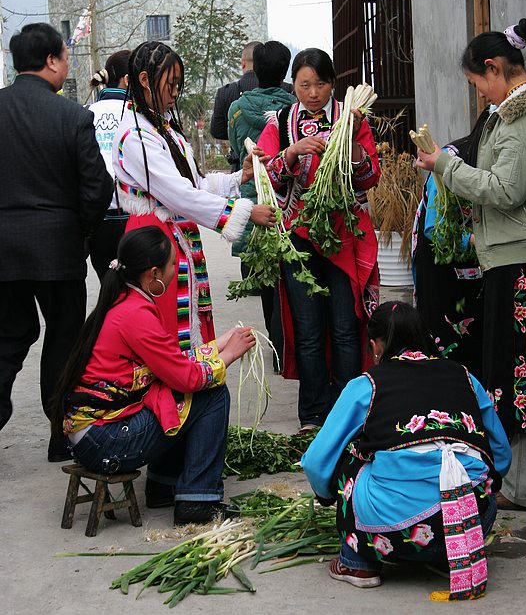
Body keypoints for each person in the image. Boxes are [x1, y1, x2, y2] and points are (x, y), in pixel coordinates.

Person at [416, 18, 526, 512]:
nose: (481, 96)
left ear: (494, 69)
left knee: (520, 372)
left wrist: (443, 166)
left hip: (522, 258)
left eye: (477, 85)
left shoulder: (520, 119)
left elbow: (505, 190)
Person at [302, 301, 511, 598]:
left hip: (392, 535)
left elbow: (317, 461)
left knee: (349, 456)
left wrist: (325, 494)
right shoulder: (464, 376)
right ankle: (449, 555)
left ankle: (357, 562)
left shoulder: (367, 385)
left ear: (375, 346)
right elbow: (500, 455)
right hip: (470, 520)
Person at [52, 226, 256, 525]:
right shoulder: (135, 314)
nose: (177, 269)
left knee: (168, 390)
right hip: (105, 441)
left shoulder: (126, 301)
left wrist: (221, 342)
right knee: (212, 393)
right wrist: (229, 356)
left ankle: (164, 483)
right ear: (153, 274)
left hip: (94, 434)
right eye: (174, 264)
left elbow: (172, 365)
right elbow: (187, 379)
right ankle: (198, 500)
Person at [113, 40, 275, 352]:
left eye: (178, 85)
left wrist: (239, 177)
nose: (175, 92)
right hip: (154, 239)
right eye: (170, 84)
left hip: (172, 236)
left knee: (187, 321)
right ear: (144, 80)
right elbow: (180, 195)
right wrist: (244, 211)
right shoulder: (135, 136)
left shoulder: (162, 128)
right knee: (167, 329)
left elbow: (194, 184)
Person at [0, 23, 113, 461]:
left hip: (3, 247)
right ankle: (60, 435)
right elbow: (96, 190)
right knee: (65, 336)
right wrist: (80, 231)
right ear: (51, 60)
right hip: (58, 247)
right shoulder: (73, 117)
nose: (67, 63)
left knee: (8, 333)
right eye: (65, 55)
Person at [259, 48, 381, 432]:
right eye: (304, 84)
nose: (313, 93)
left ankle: (348, 413)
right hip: (298, 239)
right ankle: (312, 416)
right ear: (292, 85)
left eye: (321, 84)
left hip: (344, 236)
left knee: (346, 328)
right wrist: (293, 151)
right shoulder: (280, 121)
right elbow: (266, 176)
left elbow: (369, 177)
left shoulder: (351, 118)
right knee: (309, 331)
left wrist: (353, 147)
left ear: (333, 84)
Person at [227, 41, 295, 363]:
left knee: (267, 280)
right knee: (292, 276)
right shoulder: (295, 106)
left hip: (254, 201)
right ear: (286, 69)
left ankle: (277, 350)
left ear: (254, 68)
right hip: (290, 200)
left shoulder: (237, 109)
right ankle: (294, 346)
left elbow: (235, 145)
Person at [412, 109, 490, 378]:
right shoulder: (449, 159)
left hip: (481, 263)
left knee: (480, 341)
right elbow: (436, 230)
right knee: (445, 342)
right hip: (441, 268)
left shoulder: (499, 163)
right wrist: (475, 240)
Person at [87, 50, 131, 281]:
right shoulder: (137, 114)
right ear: (127, 80)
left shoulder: (86, 113)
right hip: (133, 214)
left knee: (108, 283)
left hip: (98, 218)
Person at [210, 41, 261, 153]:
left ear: (243, 63)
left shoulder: (225, 93)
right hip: (273, 162)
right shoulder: (282, 91)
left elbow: (216, 131)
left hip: (239, 161)